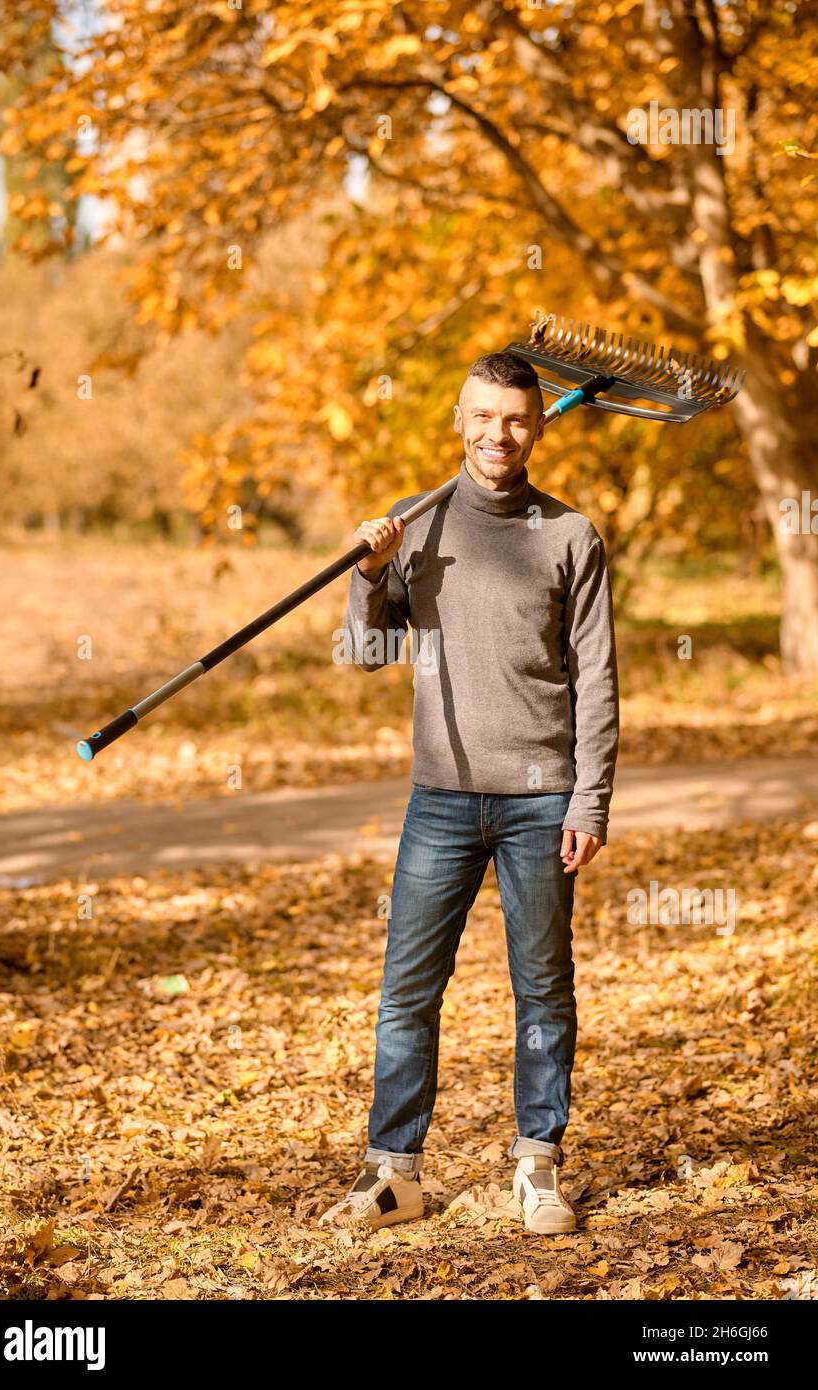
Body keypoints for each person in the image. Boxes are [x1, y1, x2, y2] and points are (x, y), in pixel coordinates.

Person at [318, 351, 619, 1234]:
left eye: (517, 418)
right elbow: (367, 655)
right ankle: (395, 1173)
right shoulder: (417, 526)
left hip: (540, 800)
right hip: (441, 799)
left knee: (543, 987)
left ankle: (538, 1166)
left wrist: (589, 800)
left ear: (538, 425)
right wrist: (370, 577)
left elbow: (597, 680)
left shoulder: (571, 536)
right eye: (483, 417)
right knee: (408, 988)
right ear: (460, 421)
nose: (499, 434)